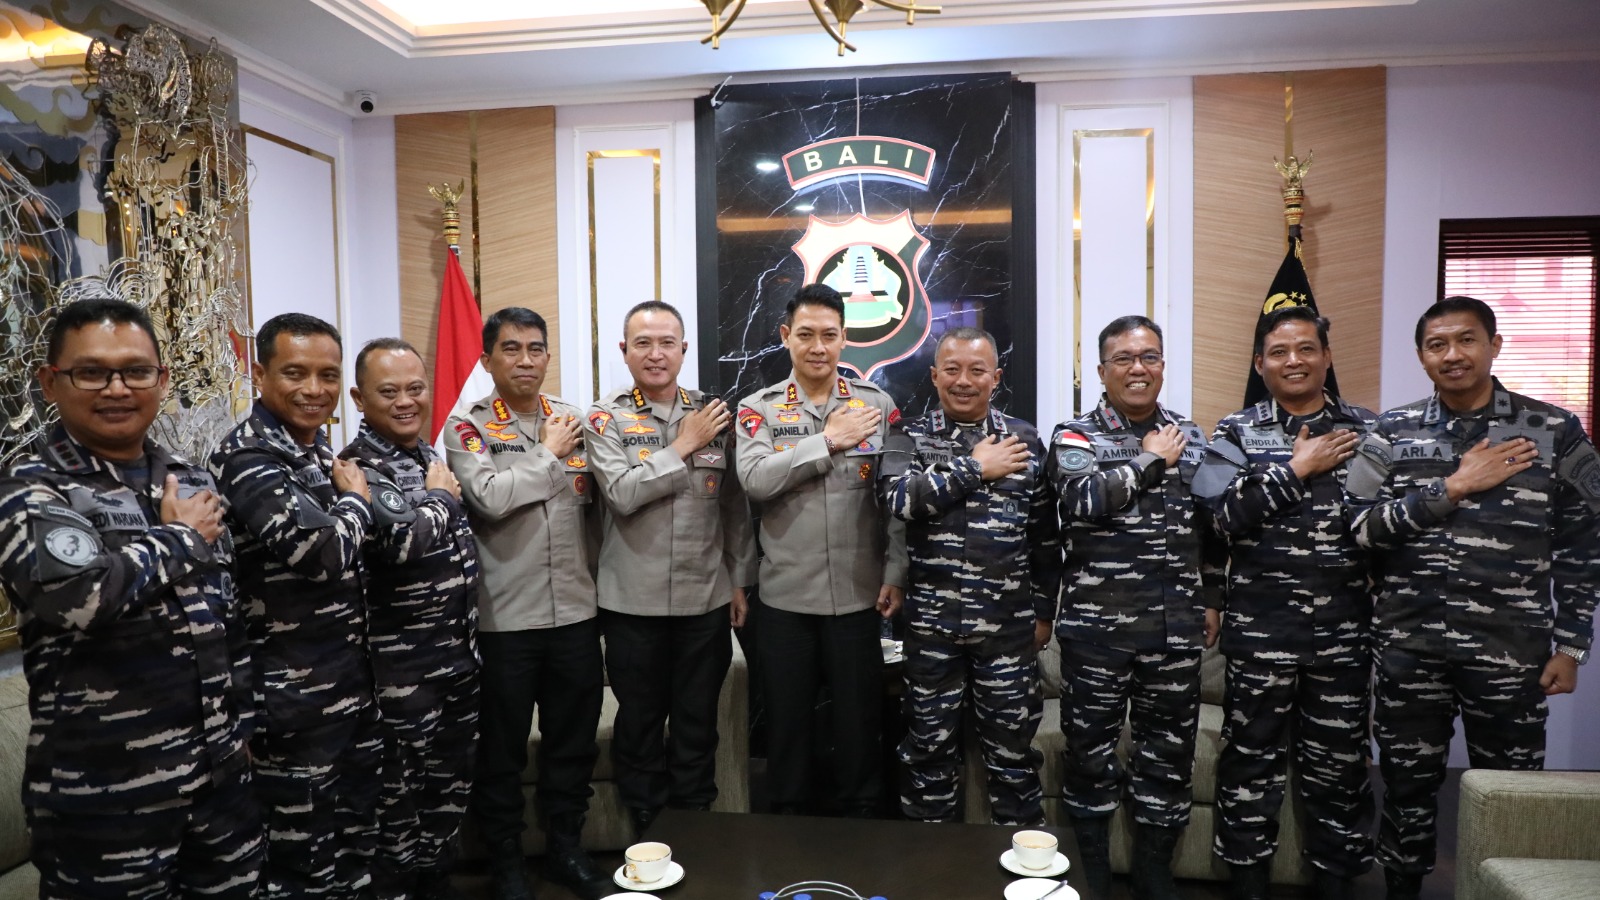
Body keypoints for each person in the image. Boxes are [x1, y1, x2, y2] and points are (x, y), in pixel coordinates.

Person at [0, 298, 261, 898]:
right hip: (107, 800)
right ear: (50, 382)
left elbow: (227, 614)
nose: (117, 388)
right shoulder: (30, 491)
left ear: (162, 380)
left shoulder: (189, 479)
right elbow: (80, 597)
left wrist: (243, 729)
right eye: (92, 372)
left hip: (221, 788)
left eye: (136, 371)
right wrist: (179, 539)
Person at [1346, 296, 1599, 900]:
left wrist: (1571, 647)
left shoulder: (1553, 430)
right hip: (1410, 647)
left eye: (1466, 340)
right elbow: (1358, 528)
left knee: (1511, 790)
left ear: (1494, 345)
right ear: (1422, 356)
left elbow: (1583, 546)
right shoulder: (1391, 431)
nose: (1453, 355)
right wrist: (1452, 487)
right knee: (1406, 786)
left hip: (1510, 651)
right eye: (1437, 345)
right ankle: (1402, 889)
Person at [1192, 307, 1376, 900]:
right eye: (1278, 352)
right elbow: (1218, 518)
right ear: (1259, 364)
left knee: (1340, 770)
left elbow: (1390, 527)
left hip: (1345, 636)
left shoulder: (1369, 431)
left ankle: (1336, 887)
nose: (1293, 361)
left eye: (1305, 349)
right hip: (1261, 635)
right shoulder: (1235, 432)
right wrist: (1296, 470)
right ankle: (1247, 886)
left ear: (1326, 357)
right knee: (1250, 766)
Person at [211, 312, 383, 898]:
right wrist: (356, 501)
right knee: (303, 865)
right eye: (295, 373)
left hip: (347, 688)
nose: (315, 389)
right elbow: (322, 553)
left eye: (328, 375)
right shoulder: (249, 457)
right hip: (290, 704)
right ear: (260, 375)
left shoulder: (314, 451)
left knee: (357, 849)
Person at [1046, 314, 1215, 900]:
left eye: (1149, 357)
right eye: (1123, 358)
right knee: (1089, 755)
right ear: (1102, 371)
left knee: (1168, 757)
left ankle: (1152, 872)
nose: (1137, 369)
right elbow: (1083, 500)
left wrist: (1213, 597)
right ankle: (1091, 872)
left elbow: (1213, 529)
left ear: (1163, 365)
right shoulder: (1075, 436)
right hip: (1098, 630)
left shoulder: (1192, 436)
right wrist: (1148, 460)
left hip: (1174, 628)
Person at [445, 306, 609, 900]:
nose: (525, 360)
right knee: (502, 751)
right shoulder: (467, 427)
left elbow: (597, 511)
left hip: (575, 614)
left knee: (573, 745)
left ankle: (565, 849)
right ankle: (507, 863)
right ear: (487, 360)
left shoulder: (572, 419)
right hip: (506, 619)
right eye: (510, 349)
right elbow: (490, 498)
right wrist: (547, 454)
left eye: (535, 348)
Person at [584, 300, 757, 836]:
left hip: (704, 599)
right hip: (631, 601)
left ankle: (694, 823)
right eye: (643, 343)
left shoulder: (714, 414)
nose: (655, 354)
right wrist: (683, 444)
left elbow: (734, 506)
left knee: (697, 722)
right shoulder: (604, 418)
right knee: (639, 723)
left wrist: (738, 580)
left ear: (684, 349)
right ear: (624, 351)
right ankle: (646, 830)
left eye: (666, 343)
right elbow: (622, 493)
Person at [734, 282, 906, 817]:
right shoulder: (758, 409)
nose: (817, 347)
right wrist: (828, 441)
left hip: (859, 593)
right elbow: (755, 481)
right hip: (786, 597)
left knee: (859, 721)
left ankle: (862, 824)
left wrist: (896, 570)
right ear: (786, 336)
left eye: (829, 335)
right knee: (787, 724)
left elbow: (896, 500)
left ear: (844, 339)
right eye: (805, 334)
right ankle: (788, 824)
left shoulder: (876, 406)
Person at [879, 326, 1061, 826]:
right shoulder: (907, 435)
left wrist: (1044, 612)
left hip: (1007, 631)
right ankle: (931, 861)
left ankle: (1019, 862)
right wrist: (974, 468)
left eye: (977, 370)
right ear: (935, 376)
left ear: (995, 377)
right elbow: (897, 499)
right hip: (931, 630)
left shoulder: (1024, 439)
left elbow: (1045, 538)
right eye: (952, 370)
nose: (964, 380)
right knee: (927, 753)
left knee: (1013, 755)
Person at [341, 338, 480, 899]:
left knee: (447, 798)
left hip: (456, 662)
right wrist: (441, 499)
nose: (406, 401)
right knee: (398, 809)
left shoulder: (427, 457)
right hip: (402, 676)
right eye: (389, 391)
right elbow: (399, 544)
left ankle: (435, 884)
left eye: (416, 388)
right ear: (359, 398)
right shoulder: (357, 467)